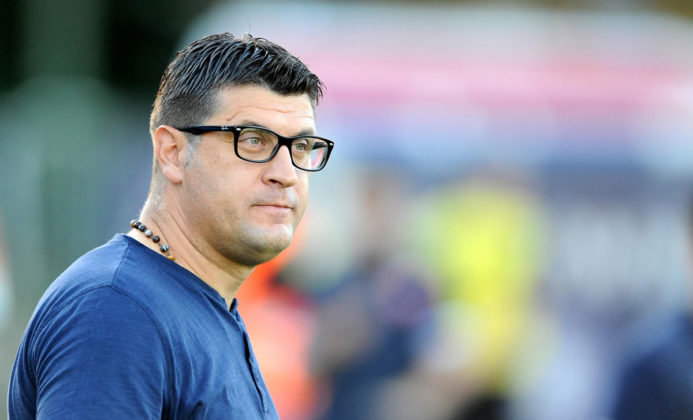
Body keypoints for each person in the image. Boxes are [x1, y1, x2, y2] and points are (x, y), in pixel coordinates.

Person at [8, 32, 333, 419]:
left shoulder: (200, 304)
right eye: (253, 140)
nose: (287, 174)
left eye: (301, 147)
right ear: (173, 153)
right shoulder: (115, 310)